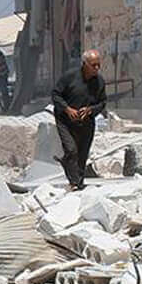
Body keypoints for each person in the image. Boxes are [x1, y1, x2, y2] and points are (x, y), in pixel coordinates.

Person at [52, 49, 106, 190]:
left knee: (82, 154)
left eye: (98, 65)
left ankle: (79, 183)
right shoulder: (69, 77)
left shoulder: (99, 82)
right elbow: (56, 95)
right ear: (84, 64)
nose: (96, 68)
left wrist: (90, 110)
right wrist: (67, 109)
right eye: (93, 65)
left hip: (86, 122)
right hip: (65, 120)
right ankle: (74, 182)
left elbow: (102, 103)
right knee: (71, 150)